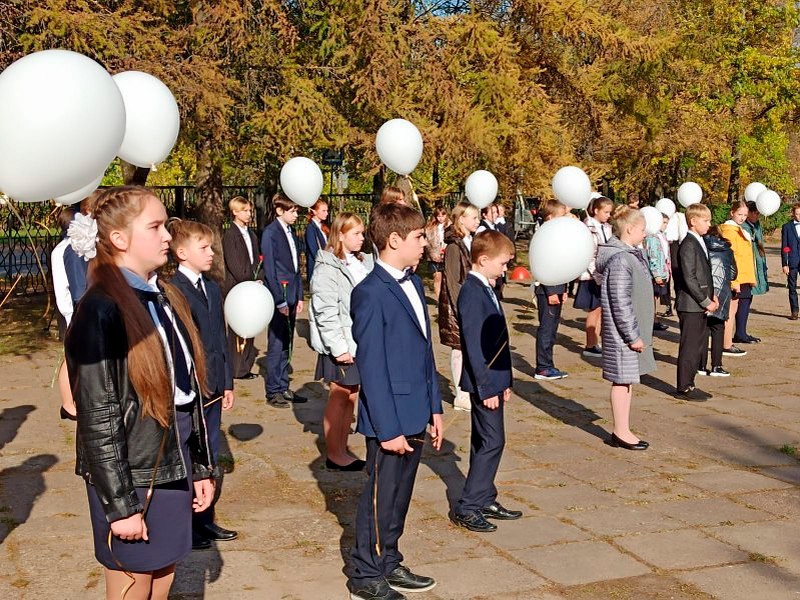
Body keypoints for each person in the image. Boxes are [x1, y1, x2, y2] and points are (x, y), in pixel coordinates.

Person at [65, 186, 215, 600]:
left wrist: (200, 467)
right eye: (156, 226)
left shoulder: (165, 296)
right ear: (119, 239)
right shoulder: (100, 309)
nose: (168, 235)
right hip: (133, 469)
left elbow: (187, 393)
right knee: (134, 578)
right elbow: (98, 416)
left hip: (172, 459)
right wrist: (120, 504)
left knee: (163, 570)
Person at [348, 202, 443, 600]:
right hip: (389, 418)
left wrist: (435, 406)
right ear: (394, 240)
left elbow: (425, 352)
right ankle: (365, 573)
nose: (425, 244)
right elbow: (371, 367)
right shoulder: (369, 293)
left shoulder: (414, 283)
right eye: (419, 237)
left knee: (400, 495)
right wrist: (386, 429)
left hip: (417, 408)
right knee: (379, 497)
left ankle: (389, 559)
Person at [167, 219, 238, 550]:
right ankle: (187, 524)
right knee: (191, 454)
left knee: (208, 454)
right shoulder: (174, 289)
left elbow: (220, 338)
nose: (211, 253)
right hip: (192, 386)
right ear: (182, 253)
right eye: (204, 248)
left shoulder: (211, 286)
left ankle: (205, 518)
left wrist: (227, 382)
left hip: (213, 385)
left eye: (211, 246)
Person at [451, 231, 521, 533]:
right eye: (503, 263)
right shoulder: (472, 292)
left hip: (495, 379)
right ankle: (468, 506)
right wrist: (487, 386)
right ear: (483, 260)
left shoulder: (487, 288)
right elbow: (475, 345)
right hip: (484, 382)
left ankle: (484, 496)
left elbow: (497, 341)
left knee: (486, 440)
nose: (505, 269)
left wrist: (505, 379)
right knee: (493, 441)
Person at [308, 213, 373, 471]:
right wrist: (339, 347)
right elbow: (325, 310)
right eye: (356, 233)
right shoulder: (328, 266)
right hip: (342, 342)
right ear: (341, 235)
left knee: (352, 395)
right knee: (340, 394)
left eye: (362, 233)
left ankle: (343, 447)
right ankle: (334, 453)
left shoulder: (363, 261)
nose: (361, 238)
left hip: (359, 340)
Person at [595, 205, 655, 450]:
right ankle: (620, 431)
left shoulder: (628, 255)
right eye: (642, 229)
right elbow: (620, 301)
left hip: (628, 333)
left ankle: (623, 428)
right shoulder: (620, 259)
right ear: (630, 229)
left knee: (626, 381)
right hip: (623, 335)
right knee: (621, 381)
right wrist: (632, 336)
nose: (645, 233)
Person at [261, 194, 308, 408]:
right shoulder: (271, 233)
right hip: (279, 294)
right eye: (292, 211)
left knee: (288, 342)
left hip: (292, 294)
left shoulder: (291, 232)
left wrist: (299, 295)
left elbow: (296, 267)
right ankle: (273, 390)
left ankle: (283, 385)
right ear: (280, 211)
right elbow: (270, 269)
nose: (296, 215)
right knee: (277, 342)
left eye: (297, 211)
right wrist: (279, 300)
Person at [674, 204, 718, 400]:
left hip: (699, 304)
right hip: (691, 304)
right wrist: (705, 300)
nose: (709, 224)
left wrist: (712, 295)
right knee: (690, 347)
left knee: (698, 345)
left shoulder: (699, 241)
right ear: (693, 221)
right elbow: (689, 277)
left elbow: (704, 274)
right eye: (706, 220)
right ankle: (684, 386)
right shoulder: (688, 244)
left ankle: (690, 382)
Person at [439, 202, 481, 411]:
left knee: (467, 348)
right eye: (473, 217)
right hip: (457, 306)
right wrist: (460, 309)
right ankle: (460, 393)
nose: (477, 221)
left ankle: (467, 387)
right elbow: (453, 281)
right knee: (459, 348)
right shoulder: (455, 246)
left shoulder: (468, 241)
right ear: (461, 219)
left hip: (469, 302)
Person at [222, 196, 261, 380]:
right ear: (235, 212)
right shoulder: (230, 235)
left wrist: (259, 278)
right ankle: (236, 367)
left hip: (252, 287)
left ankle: (245, 366)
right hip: (237, 287)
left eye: (249, 210)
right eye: (244, 210)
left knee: (250, 324)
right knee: (237, 328)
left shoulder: (251, 235)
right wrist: (248, 279)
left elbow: (257, 261)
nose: (248, 214)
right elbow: (235, 265)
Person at [533, 200, 569, 380]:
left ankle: (549, 364)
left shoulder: (557, 236)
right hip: (548, 291)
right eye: (561, 216)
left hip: (558, 288)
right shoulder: (545, 237)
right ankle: (543, 366)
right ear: (550, 217)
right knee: (546, 329)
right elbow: (545, 264)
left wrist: (564, 288)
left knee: (553, 329)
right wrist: (552, 291)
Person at [575, 196, 613, 358]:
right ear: (596, 210)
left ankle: (596, 342)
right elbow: (589, 255)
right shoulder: (589, 228)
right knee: (594, 310)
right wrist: (597, 275)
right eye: (605, 212)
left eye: (609, 212)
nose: (608, 215)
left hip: (602, 273)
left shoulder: (605, 227)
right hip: (592, 275)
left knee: (601, 309)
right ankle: (590, 344)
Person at [719, 201, 756, 355]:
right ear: (732, 213)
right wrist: (734, 281)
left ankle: (728, 341)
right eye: (739, 214)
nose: (742, 218)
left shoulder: (740, 230)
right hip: (736, 278)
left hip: (743, 277)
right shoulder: (729, 231)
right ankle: (726, 344)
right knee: (729, 311)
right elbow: (730, 258)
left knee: (733, 310)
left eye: (745, 215)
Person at [698, 226, 735, 377]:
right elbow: (733, 273)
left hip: (705, 292)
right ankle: (716, 366)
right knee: (718, 329)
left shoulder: (701, 248)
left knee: (702, 330)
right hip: (722, 293)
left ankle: (700, 365)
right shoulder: (727, 250)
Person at [737, 201, 767, 342]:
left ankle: (742, 331)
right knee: (743, 300)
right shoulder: (743, 228)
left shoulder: (755, 226)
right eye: (754, 212)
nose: (757, 215)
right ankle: (740, 333)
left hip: (753, 266)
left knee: (747, 301)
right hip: (746, 268)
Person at [643, 213, 671, 332]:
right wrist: (657, 274)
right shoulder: (651, 238)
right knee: (652, 297)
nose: (665, 225)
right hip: (655, 273)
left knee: (655, 296)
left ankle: (654, 319)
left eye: (666, 223)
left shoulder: (662, 236)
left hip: (662, 270)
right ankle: (652, 320)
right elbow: (653, 256)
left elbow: (665, 254)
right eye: (663, 222)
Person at [424, 205, 449, 299]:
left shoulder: (450, 226)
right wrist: (433, 254)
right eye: (438, 216)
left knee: (446, 278)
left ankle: (447, 299)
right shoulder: (430, 227)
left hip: (446, 255)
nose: (441, 218)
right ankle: (439, 300)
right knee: (437, 277)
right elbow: (427, 242)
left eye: (443, 215)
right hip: (434, 256)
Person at [780, 202, 800, 320]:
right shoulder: (787, 227)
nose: (799, 216)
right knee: (792, 287)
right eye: (797, 214)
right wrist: (784, 263)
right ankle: (794, 311)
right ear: (793, 214)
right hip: (792, 261)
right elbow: (785, 246)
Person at [304, 198, 330, 282]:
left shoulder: (322, 227)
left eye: (327, 210)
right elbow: (314, 251)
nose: (326, 213)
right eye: (323, 211)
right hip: (317, 268)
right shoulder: (311, 228)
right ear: (314, 211)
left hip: (325, 265)